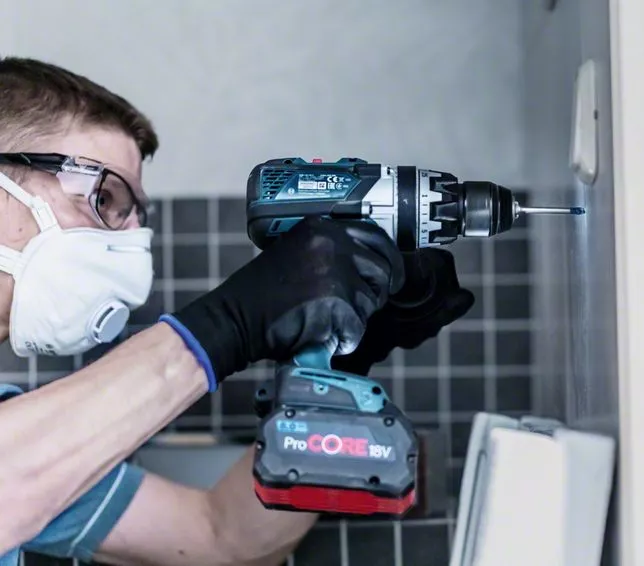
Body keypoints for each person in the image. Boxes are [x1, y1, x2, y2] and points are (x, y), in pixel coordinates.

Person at [0, 57, 474, 566]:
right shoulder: (25, 458)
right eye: (102, 196)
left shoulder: (27, 434)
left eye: (134, 215)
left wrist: (340, 365)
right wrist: (226, 326)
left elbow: (221, 538)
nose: (130, 244)